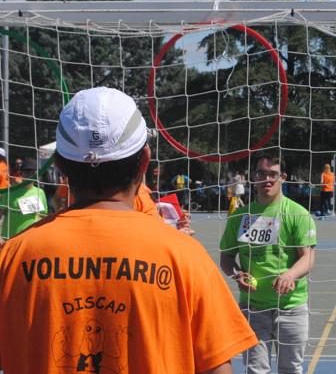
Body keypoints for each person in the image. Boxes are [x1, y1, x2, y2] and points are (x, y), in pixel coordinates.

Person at [0, 87, 257, 373]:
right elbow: (217, 367)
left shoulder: (12, 257)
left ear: (60, 166)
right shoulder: (186, 259)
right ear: (145, 160)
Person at [220, 153, 316, 374]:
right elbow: (226, 257)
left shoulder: (297, 214)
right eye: (261, 173)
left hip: (291, 308)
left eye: (272, 174)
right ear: (253, 177)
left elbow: (308, 257)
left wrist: (289, 276)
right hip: (252, 308)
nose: (267, 179)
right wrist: (237, 274)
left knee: (290, 369)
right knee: (255, 370)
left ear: (282, 177)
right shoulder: (240, 216)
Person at [0, 157, 48, 241]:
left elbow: (43, 216)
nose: (31, 174)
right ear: (21, 173)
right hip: (10, 238)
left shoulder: (40, 193)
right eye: (27, 171)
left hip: (30, 238)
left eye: (33, 171)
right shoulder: (11, 191)